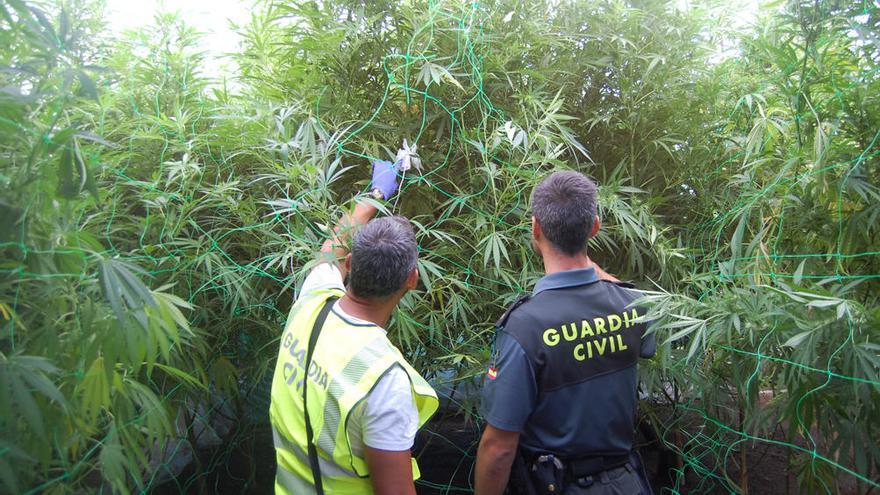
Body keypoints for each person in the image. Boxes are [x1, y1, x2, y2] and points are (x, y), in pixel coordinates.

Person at [474, 170, 656, 495]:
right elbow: (622, 296)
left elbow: (498, 447)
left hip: (557, 485)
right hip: (626, 482)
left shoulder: (524, 328)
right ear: (595, 227)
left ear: (535, 228)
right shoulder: (634, 306)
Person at [269, 159, 438, 495]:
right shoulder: (384, 380)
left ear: (349, 264)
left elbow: (332, 244)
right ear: (412, 279)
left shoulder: (311, 303)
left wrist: (375, 194)